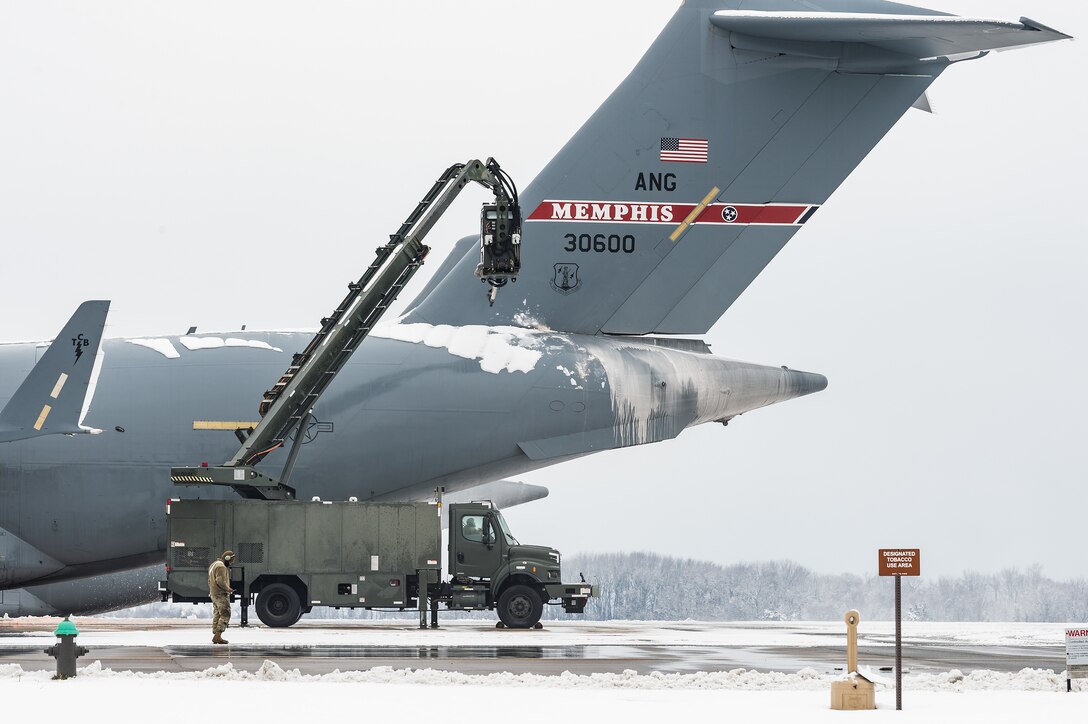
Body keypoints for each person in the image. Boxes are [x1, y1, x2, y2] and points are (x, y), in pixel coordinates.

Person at [207, 550, 234, 644]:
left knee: (217, 614)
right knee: (226, 613)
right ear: (227, 558)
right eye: (231, 561)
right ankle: (218, 635)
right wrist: (228, 589)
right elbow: (220, 581)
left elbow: (210, 580)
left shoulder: (213, 565)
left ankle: (216, 634)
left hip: (214, 593)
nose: (230, 563)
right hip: (220, 594)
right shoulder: (221, 567)